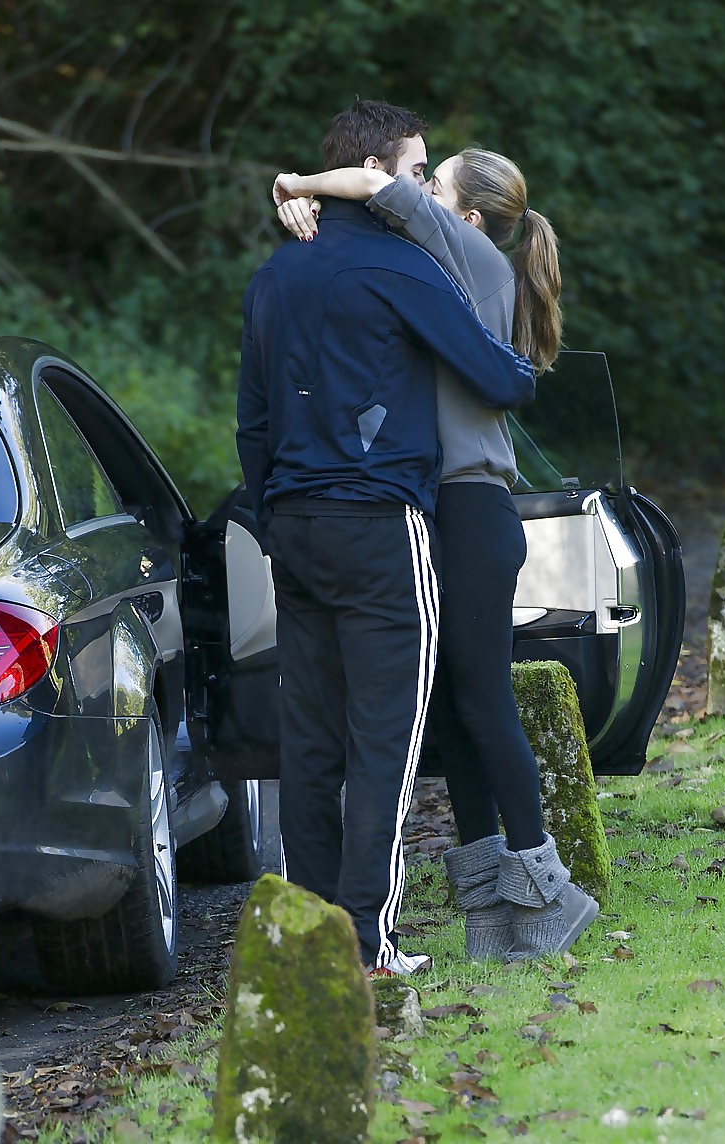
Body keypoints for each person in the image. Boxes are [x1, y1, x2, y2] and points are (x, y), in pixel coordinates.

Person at [272, 144, 600, 961]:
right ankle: (492, 912)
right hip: (445, 506)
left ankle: (547, 892)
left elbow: (379, 185)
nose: (417, 190)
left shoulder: (469, 253)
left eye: (434, 183)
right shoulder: (440, 263)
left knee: (483, 701)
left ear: (467, 215)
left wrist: (297, 183)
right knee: (455, 711)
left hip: (473, 505)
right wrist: (303, 217)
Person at [237, 100, 537, 976]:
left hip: (290, 523)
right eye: (414, 172)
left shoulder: (272, 277)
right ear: (375, 176)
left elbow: (252, 421)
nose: (420, 188)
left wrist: (271, 508)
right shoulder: (401, 270)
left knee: (311, 741)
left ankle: (304, 941)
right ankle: (367, 943)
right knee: (386, 739)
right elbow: (502, 378)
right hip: (378, 522)